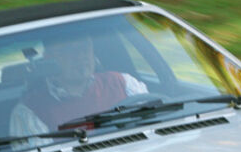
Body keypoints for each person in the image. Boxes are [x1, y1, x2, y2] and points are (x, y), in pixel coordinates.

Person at [9, 34, 148, 136]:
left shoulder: (124, 83)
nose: (80, 55)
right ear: (49, 58)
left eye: (85, 47)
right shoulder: (30, 112)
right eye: (68, 50)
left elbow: (151, 126)